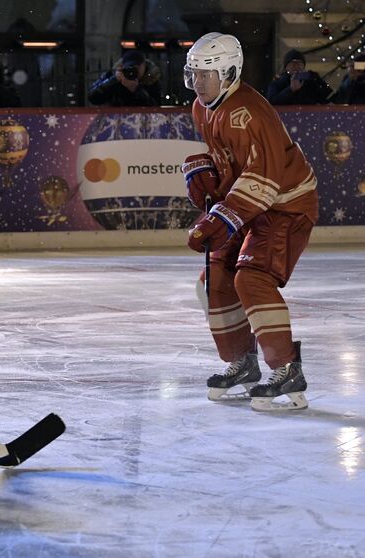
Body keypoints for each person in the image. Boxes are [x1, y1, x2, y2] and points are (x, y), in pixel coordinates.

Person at [181, 33, 318, 412]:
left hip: (286, 205)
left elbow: (265, 178)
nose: (198, 83)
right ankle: (242, 362)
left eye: (205, 75)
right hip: (255, 202)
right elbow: (231, 161)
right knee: (214, 276)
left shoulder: (250, 114)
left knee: (252, 276)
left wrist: (222, 216)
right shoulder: (203, 106)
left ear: (228, 72)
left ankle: (287, 368)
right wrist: (207, 170)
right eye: (193, 74)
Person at [87, 49, 161, 107]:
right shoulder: (115, 75)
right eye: (130, 67)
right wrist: (114, 80)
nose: (133, 71)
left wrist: (136, 90)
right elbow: (93, 98)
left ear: (144, 65)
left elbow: (155, 108)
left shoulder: (152, 79)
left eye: (137, 67)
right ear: (123, 66)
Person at [266, 49, 332, 105]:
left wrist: (317, 81)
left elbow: (328, 98)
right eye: (293, 64)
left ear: (304, 66)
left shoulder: (310, 81)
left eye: (299, 63)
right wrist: (290, 90)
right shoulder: (278, 83)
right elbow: (271, 102)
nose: (296, 67)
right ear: (286, 67)